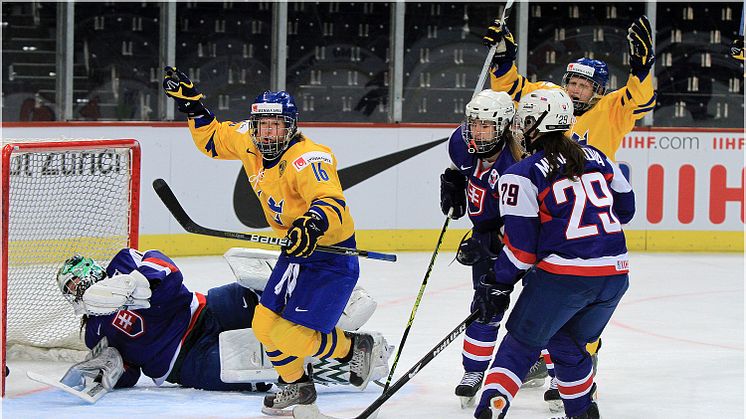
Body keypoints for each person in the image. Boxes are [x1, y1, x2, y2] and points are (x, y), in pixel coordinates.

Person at [162, 67, 387, 416]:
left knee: (286, 335)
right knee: (263, 326)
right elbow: (214, 139)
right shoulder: (249, 142)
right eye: (262, 125)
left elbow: (330, 199)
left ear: (291, 126)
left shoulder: (309, 158)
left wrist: (311, 224)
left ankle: (354, 347)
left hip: (329, 255)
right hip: (295, 251)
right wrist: (193, 105)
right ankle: (297, 385)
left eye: (276, 125)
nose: (267, 133)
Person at [482, 14, 655, 406]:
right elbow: (512, 88)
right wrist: (503, 57)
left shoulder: (612, 109)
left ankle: (576, 370)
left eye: (584, 85)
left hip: (584, 218)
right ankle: (544, 358)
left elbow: (640, 97)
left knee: (572, 308)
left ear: (597, 92)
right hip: (546, 210)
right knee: (540, 288)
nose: (575, 89)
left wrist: (642, 68)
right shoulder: (547, 99)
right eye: (572, 82)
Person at [472, 89, 635, 419]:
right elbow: (626, 209)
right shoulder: (600, 157)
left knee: (519, 345)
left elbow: (521, 252)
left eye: (524, 122)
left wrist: (496, 283)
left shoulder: (521, 173)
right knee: (566, 342)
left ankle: (491, 408)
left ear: (535, 124)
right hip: (615, 276)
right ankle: (582, 411)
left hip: (565, 277)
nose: (519, 129)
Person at [54, 247, 389, 399]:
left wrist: (133, 284)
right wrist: (107, 369)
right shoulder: (95, 331)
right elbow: (129, 372)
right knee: (263, 367)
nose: (77, 290)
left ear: (92, 273)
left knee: (264, 297)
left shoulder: (123, 264)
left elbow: (168, 269)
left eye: (77, 282)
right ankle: (347, 359)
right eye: (70, 290)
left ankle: (334, 310)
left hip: (208, 310)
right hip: (187, 364)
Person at [438, 89, 523, 408]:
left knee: (537, 311)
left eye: (486, 125)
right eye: (474, 123)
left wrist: (489, 239)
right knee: (484, 304)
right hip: (486, 234)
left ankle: (557, 374)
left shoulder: (516, 162)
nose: (477, 131)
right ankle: (474, 371)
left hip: (527, 242)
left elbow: (527, 219)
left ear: (502, 127)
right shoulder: (461, 143)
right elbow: (457, 166)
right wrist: (452, 180)